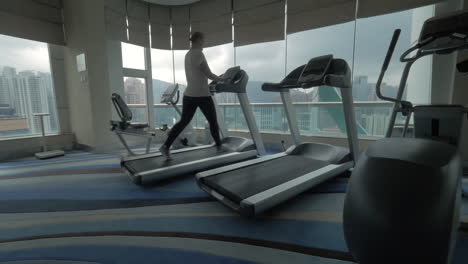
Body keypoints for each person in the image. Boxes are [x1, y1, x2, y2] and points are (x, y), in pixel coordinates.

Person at [159, 32, 226, 159]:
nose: (203, 43)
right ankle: (219, 146)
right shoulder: (198, 53)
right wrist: (223, 79)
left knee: (183, 121)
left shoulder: (188, 54)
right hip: (202, 94)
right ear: (199, 40)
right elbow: (208, 74)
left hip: (189, 94)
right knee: (213, 121)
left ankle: (165, 146)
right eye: (203, 40)